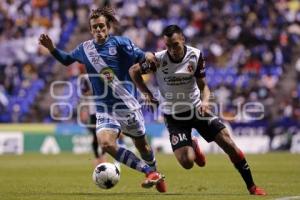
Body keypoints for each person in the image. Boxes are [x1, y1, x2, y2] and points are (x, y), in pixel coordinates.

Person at [39, 7, 166, 193]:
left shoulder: (121, 43)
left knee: (142, 145)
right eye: (94, 27)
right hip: (104, 108)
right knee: (106, 144)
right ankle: (149, 172)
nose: (98, 30)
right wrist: (51, 49)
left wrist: (148, 56)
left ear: (108, 27)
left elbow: (141, 56)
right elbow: (66, 59)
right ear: (91, 30)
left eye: (101, 26)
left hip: (127, 105)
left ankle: (155, 172)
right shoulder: (85, 48)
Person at [129, 24, 266, 195]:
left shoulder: (195, 55)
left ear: (183, 40)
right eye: (168, 46)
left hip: (196, 110)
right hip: (174, 117)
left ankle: (252, 187)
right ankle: (193, 144)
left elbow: (204, 86)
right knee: (187, 162)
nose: (172, 50)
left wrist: (206, 101)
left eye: (175, 45)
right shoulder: (157, 60)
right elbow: (133, 71)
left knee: (228, 143)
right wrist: (146, 93)